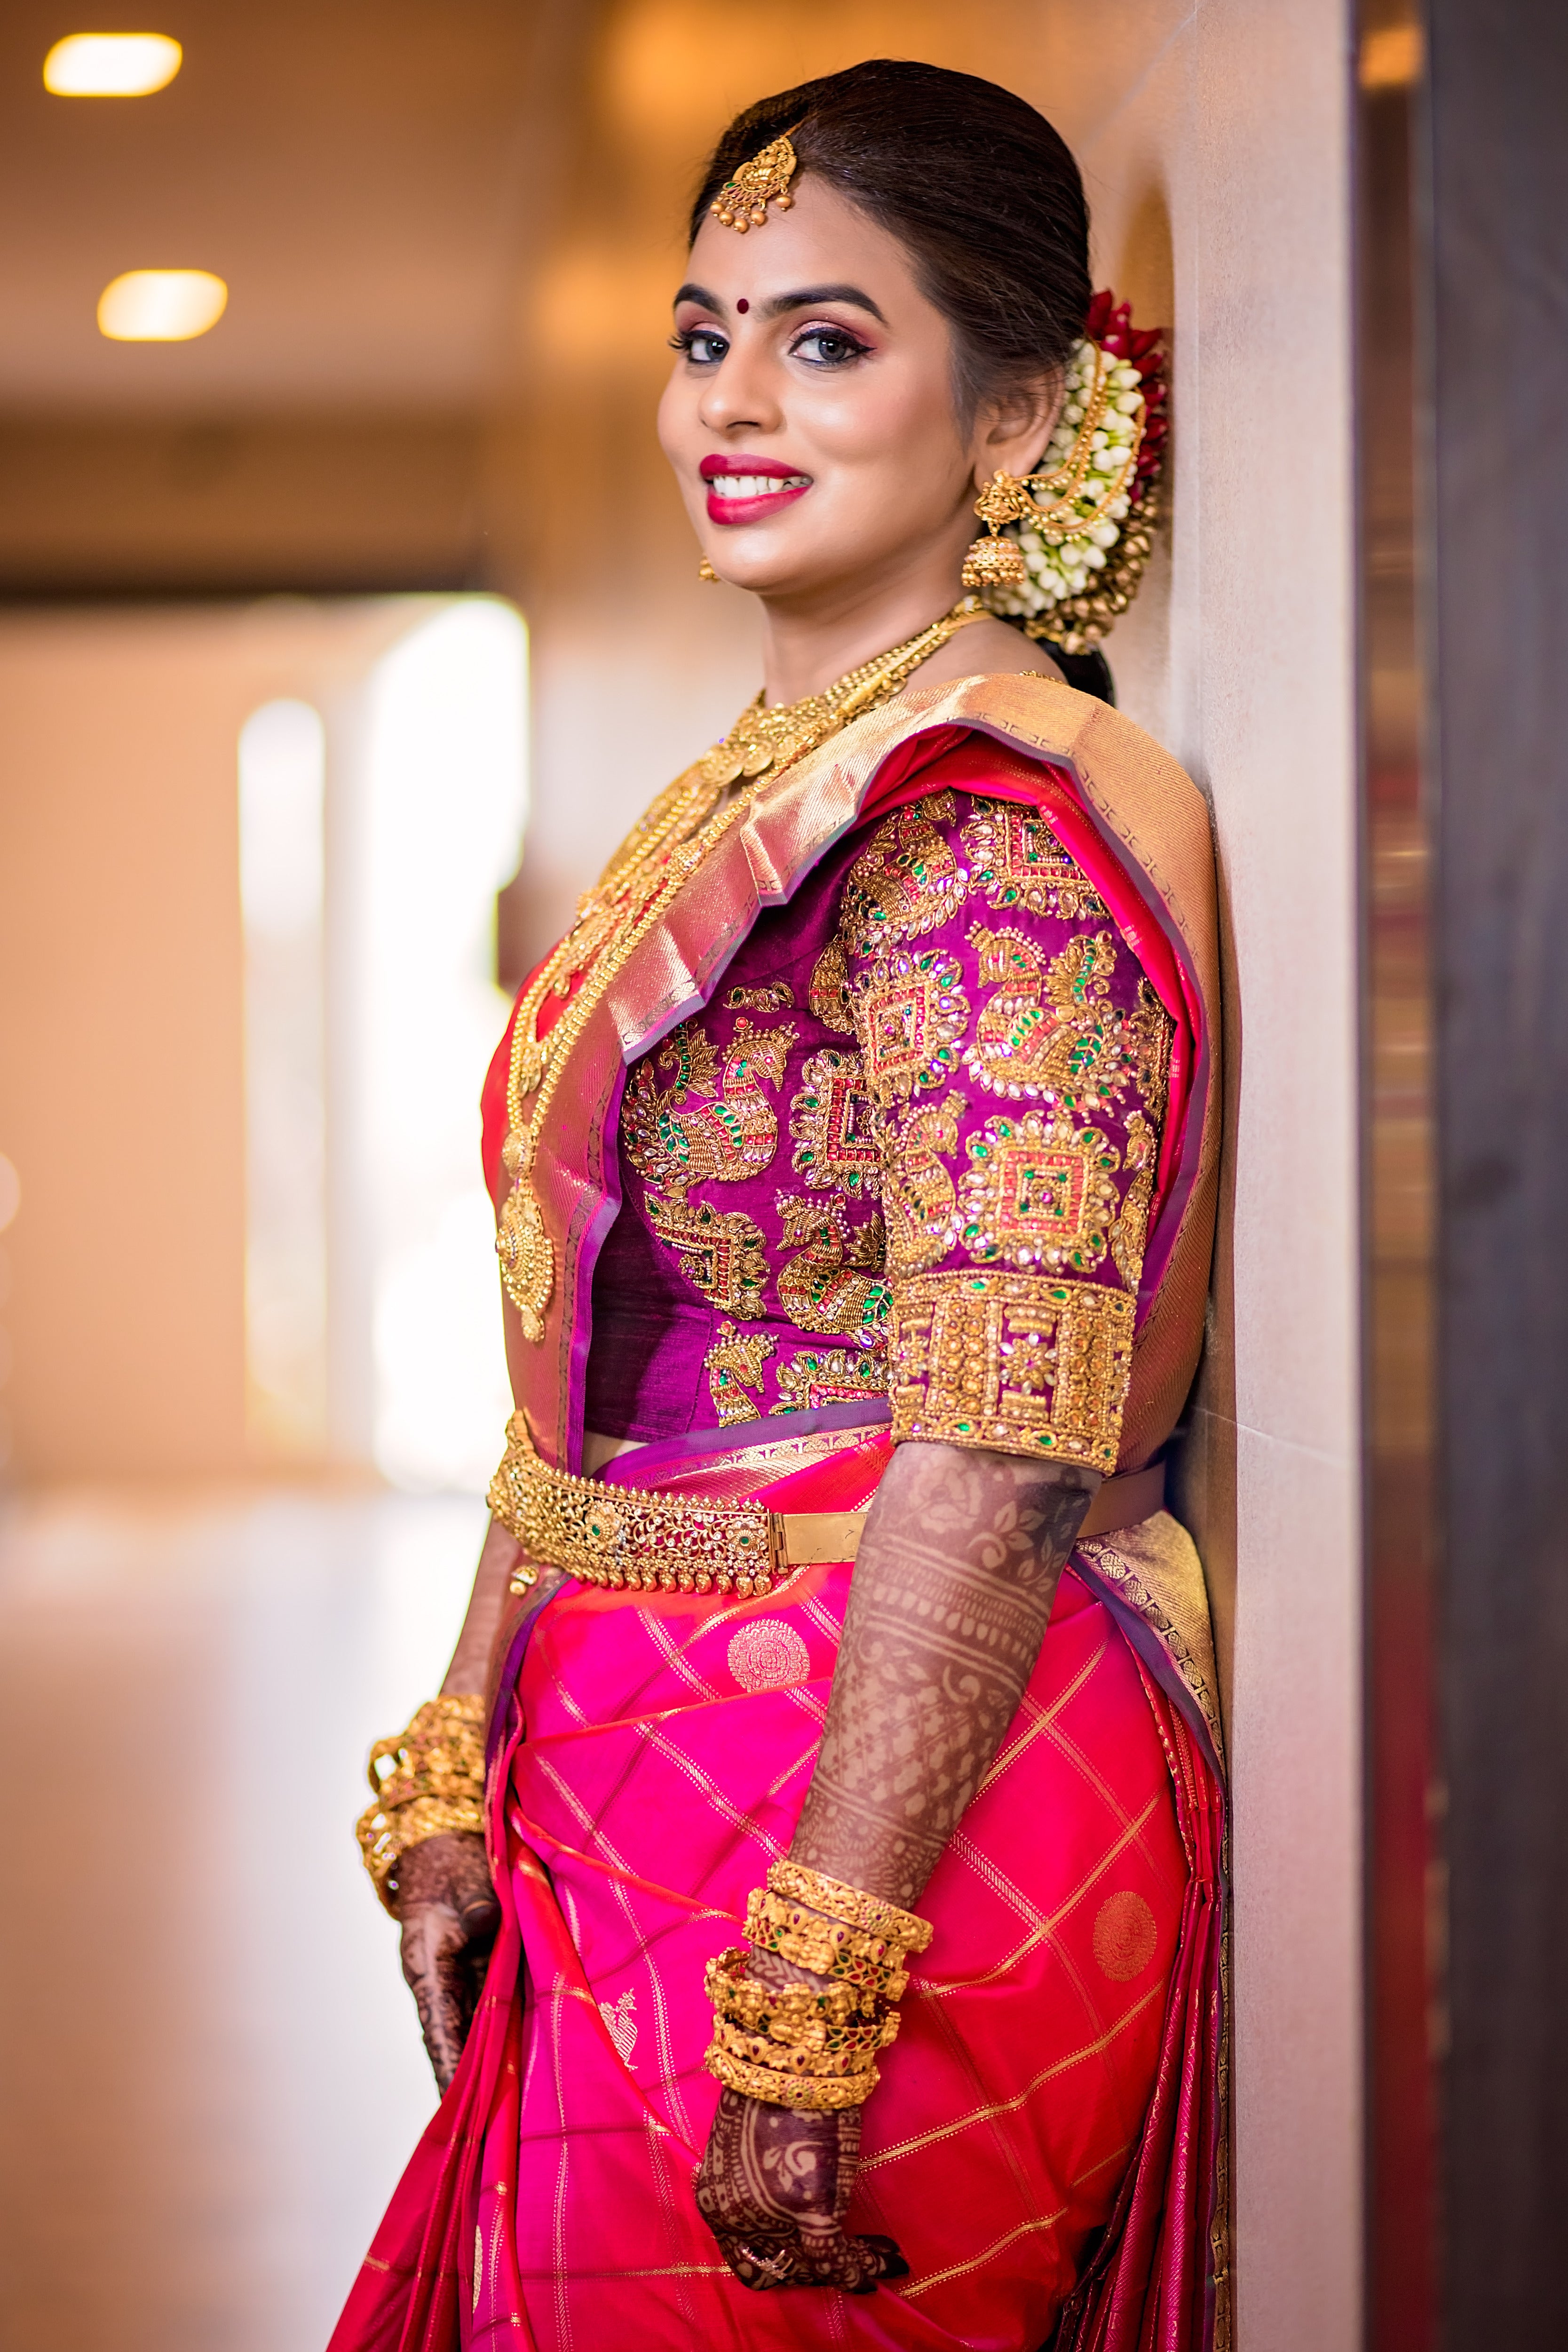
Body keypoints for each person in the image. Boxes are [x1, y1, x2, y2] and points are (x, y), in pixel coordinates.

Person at [330, 57, 1226, 2352]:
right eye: (704, 331)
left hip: (889, 1814)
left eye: (828, 338)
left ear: (1020, 418)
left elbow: (1006, 1438)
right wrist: (458, 1731)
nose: (733, 394)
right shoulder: (751, 793)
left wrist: (820, 1972)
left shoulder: (982, 828)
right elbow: (600, 1334)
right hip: (635, 1757)